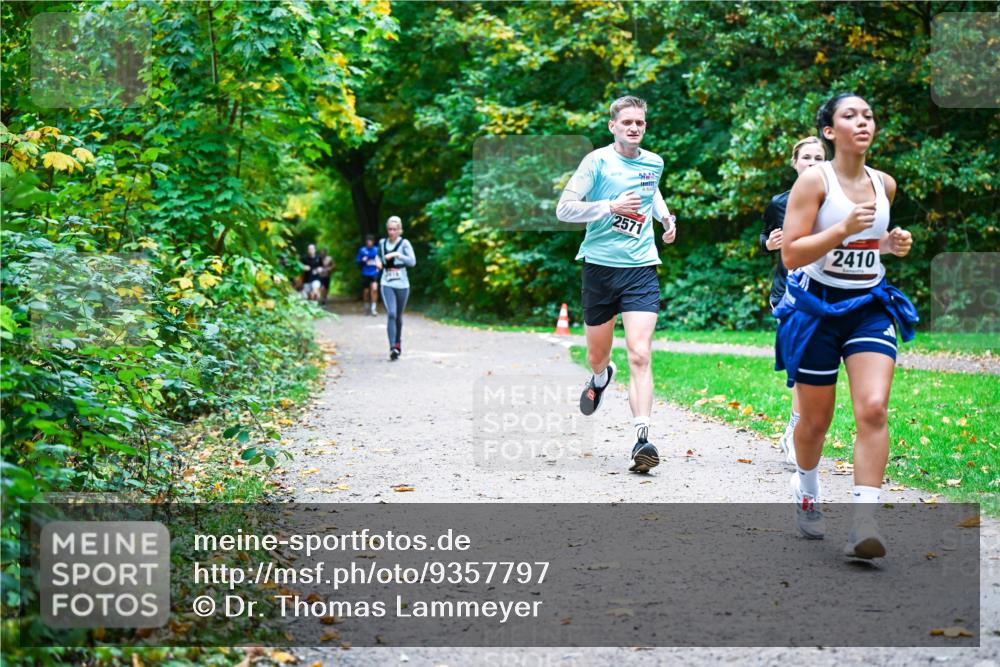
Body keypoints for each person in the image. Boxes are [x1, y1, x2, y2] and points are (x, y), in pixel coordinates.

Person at [777, 93, 916, 559]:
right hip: (817, 308)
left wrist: (892, 246)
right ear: (830, 132)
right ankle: (808, 488)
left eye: (869, 115)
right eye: (850, 116)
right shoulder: (815, 183)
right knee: (815, 422)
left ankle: (864, 523)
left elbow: (869, 247)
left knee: (873, 408)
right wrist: (839, 230)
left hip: (868, 305)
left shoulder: (885, 184)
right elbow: (792, 254)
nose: (863, 122)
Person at [556, 95, 677, 474]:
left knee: (640, 353)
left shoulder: (653, 162)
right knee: (598, 355)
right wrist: (608, 206)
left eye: (640, 122)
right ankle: (600, 377)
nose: (634, 128)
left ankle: (642, 439)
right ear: (613, 126)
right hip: (600, 269)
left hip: (640, 268)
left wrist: (665, 217)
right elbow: (565, 208)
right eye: (627, 122)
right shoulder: (597, 162)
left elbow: (651, 189)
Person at [760, 136, 825, 467]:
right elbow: (764, 237)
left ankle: (796, 429)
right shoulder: (779, 203)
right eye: (806, 157)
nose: (812, 162)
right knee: (801, 364)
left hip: (826, 292)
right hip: (789, 292)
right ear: (795, 162)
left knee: (817, 367)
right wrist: (769, 243)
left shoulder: (836, 201)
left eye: (818, 157)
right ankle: (796, 431)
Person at [374, 216, 416, 360]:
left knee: (398, 316)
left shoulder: (404, 243)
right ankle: (392, 347)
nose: (391, 232)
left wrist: (398, 254)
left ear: (399, 230)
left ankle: (398, 344)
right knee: (391, 313)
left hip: (403, 285)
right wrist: (378, 262)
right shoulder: (382, 243)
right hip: (387, 283)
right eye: (389, 229)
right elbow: (378, 256)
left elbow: (412, 262)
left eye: (394, 229)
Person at [356, 235, 380, 315]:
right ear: (366, 242)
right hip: (365, 273)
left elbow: (380, 260)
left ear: (373, 242)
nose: (369, 242)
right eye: (368, 241)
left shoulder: (377, 250)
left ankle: (373, 308)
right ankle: (366, 307)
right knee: (366, 291)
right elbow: (358, 261)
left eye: (370, 241)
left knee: (374, 289)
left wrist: (379, 267)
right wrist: (362, 260)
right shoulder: (362, 250)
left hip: (374, 273)